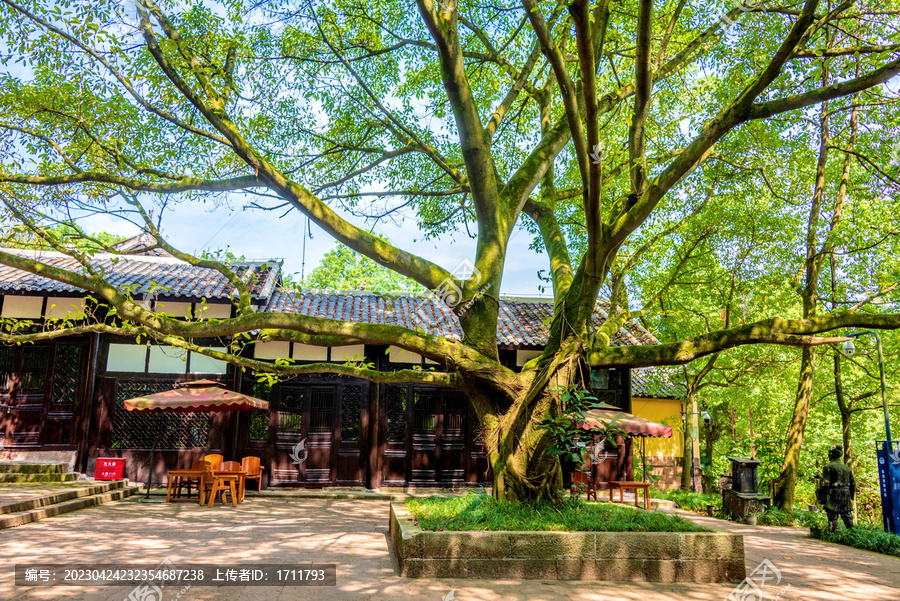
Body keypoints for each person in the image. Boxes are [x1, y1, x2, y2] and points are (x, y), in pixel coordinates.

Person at [816, 445, 856, 532]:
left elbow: (825, 484)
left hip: (833, 494)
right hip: (846, 494)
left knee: (832, 516)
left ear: (831, 455)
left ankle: (832, 534)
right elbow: (853, 484)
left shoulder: (828, 467)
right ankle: (854, 534)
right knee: (847, 516)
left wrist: (820, 478)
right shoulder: (847, 468)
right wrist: (851, 496)